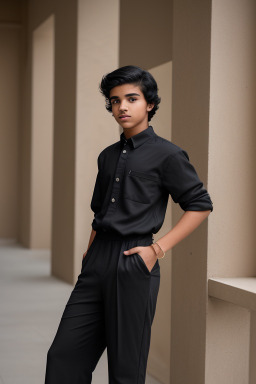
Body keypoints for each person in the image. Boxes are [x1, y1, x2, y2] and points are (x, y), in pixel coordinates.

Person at [44, 65, 213, 384]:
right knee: (63, 357)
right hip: (97, 262)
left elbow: (200, 205)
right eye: (115, 100)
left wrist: (156, 250)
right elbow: (99, 212)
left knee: (125, 369)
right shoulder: (107, 156)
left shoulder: (168, 155)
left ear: (149, 103)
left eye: (131, 98)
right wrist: (90, 254)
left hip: (134, 261)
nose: (121, 106)